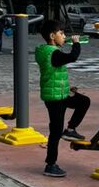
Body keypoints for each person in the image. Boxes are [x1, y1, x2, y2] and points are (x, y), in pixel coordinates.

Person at [35, 19, 91, 177]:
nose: (64, 36)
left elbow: (54, 74)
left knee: (83, 101)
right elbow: (72, 57)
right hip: (55, 99)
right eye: (61, 33)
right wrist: (76, 43)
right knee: (55, 131)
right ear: (52, 36)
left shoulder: (48, 52)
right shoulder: (53, 53)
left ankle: (70, 130)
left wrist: (68, 88)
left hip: (60, 94)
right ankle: (50, 165)